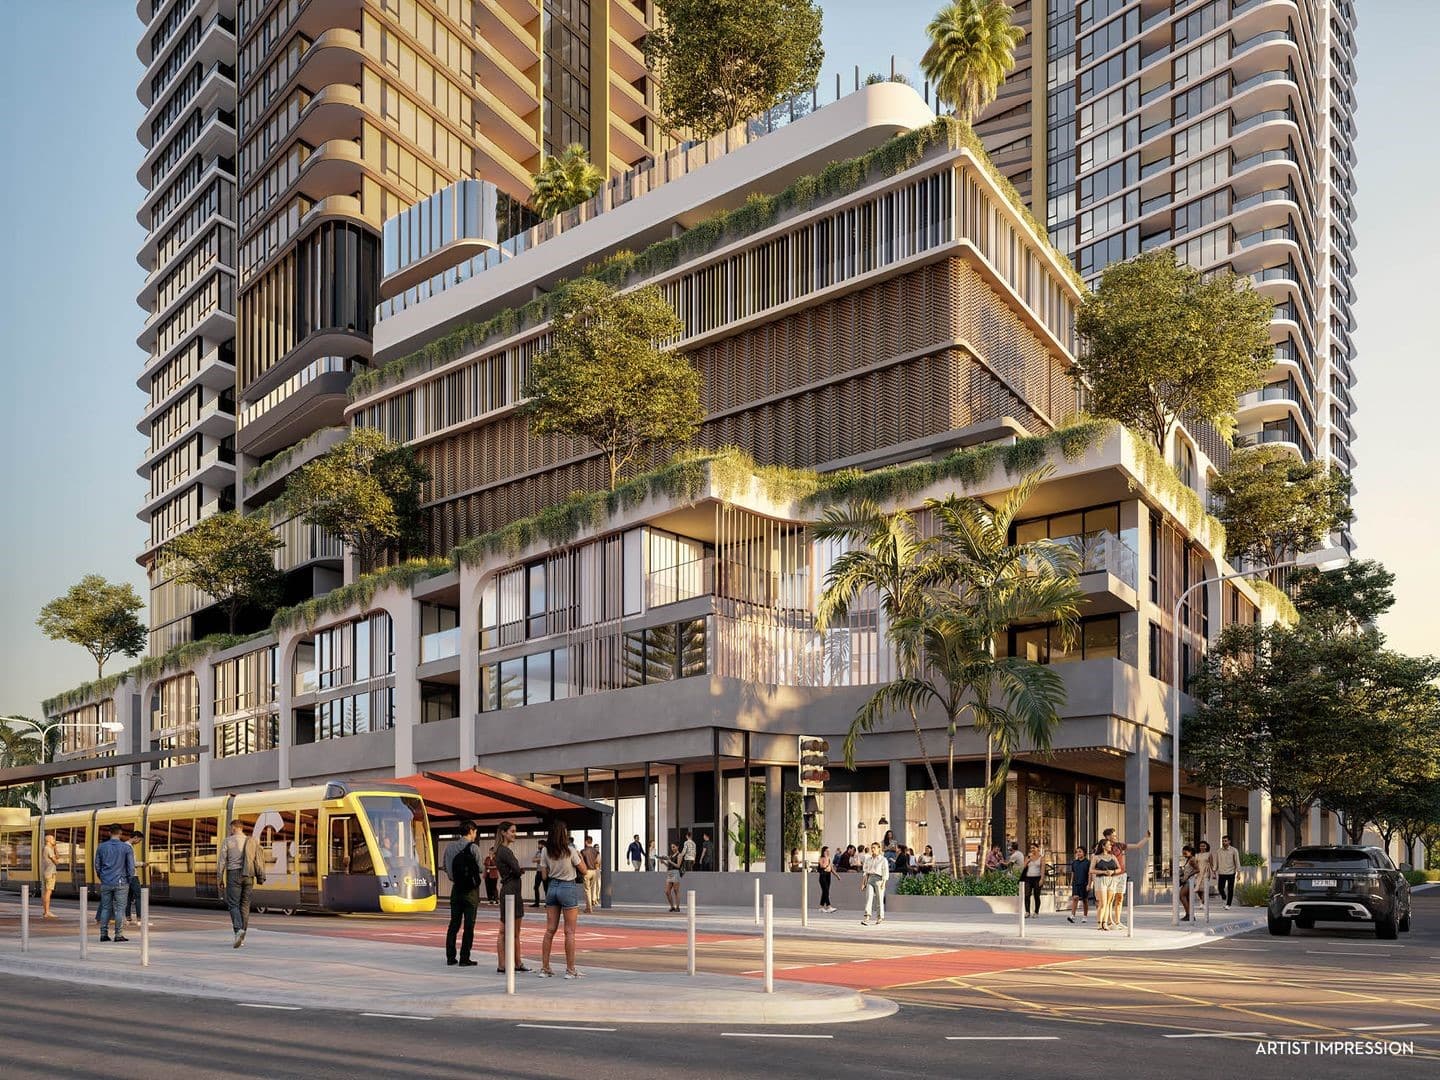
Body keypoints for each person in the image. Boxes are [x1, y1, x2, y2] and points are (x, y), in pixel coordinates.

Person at [538, 819, 588, 978]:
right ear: (564, 834)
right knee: (569, 932)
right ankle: (570, 970)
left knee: (549, 930)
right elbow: (584, 870)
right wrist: (579, 857)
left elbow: (544, 876)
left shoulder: (545, 851)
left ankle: (545, 968)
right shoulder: (570, 850)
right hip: (568, 887)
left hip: (552, 888)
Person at [442, 821, 483, 967]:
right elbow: (480, 869)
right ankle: (465, 957)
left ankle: (450, 957)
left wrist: (455, 877)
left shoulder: (450, 847)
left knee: (454, 924)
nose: (475, 834)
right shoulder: (474, 848)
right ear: (471, 831)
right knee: (469, 926)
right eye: (475, 832)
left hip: (456, 889)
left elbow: (445, 867)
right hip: (470, 892)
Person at [218, 819, 263, 949]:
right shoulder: (252, 841)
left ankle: (238, 931)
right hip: (249, 875)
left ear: (233, 828)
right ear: (242, 828)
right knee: (245, 905)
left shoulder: (228, 841)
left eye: (231, 828)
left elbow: (221, 861)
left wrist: (220, 878)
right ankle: (242, 936)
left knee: (233, 905)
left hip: (234, 875)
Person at [493, 821, 530, 973]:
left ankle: (507, 964)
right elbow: (515, 869)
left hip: (509, 890)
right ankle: (513, 963)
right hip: (511, 890)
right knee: (509, 931)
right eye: (512, 831)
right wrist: (520, 870)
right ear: (503, 832)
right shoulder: (505, 851)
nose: (514, 834)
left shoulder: (499, 851)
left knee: (508, 931)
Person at [94, 824, 134, 943]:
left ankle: (103, 934)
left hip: (106, 881)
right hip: (121, 881)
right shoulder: (126, 848)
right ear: (120, 833)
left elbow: (97, 865)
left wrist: (102, 877)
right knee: (120, 909)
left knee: (106, 908)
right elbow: (131, 867)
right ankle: (118, 935)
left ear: (109, 833)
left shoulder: (101, 847)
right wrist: (128, 879)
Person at [1091, 838, 1122, 931]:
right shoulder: (1096, 857)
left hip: (1111, 880)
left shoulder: (1112, 857)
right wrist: (1104, 872)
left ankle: (1105, 923)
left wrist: (1113, 871)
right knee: (1103, 903)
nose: (1111, 846)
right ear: (1103, 846)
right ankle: (1099, 923)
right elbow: (1091, 870)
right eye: (1109, 845)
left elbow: (1119, 869)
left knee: (1108, 903)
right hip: (1101, 880)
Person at [859, 841, 889, 926]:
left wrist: (884, 883)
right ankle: (867, 917)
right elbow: (865, 872)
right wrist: (863, 883)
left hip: (879, 879)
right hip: (870, 879)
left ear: (879, 849)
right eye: (871, 848)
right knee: (868, 898)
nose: (872, 850)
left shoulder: (883, 860)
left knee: (879, 899)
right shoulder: (868, 859)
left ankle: (880, 917)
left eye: (874, 848)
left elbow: (885, 872)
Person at [1214, 835, 1241, 909]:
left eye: (1225, 841)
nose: (1224, 842)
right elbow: (1216, 862)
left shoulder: (1234, 850)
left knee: (1230, 889)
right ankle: (1224, 897)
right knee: (1220, 888)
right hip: (1221, 872)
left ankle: (1228, 904)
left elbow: (1237, 861)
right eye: (1223, 841)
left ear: (1229, 841)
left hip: (1231, 872)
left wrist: (1238, 873)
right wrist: (1214, 871)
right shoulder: (1218, 851)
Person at [1066, 846, 1091, 924]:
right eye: (1077, 852)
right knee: (1075, 898)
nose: (1078, 853)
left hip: (1084, 883)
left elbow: (1090, 874)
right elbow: (1073, 873)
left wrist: (1089, 884)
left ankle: (1085, 916)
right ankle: (1072, 916)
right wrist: (1071, 883)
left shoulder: (1088, 862)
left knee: (1084, 900)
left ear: (1084, 853)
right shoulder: (1074, 862)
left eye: (1080, 851)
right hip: (1076, 883)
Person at [1021, 843, 1046, 918]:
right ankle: (1027, 912)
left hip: (1037, 878)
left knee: (1036, 896)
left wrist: (1042, 879)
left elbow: (1042, 869)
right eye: (1031, 848)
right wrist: (1028, 860)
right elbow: (1023, 867)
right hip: (1028, 878)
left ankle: (1036, 912)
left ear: (1038, 848)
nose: (1032, 849)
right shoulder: (1028, 857)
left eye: (1033, 848)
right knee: (1027, 895)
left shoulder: (1041, 858)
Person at [125, 831, 144, 926]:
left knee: (128, 897)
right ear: (135, 837)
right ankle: (139, 919)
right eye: (139, 840)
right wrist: (143, 864)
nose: (139, 842)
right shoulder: (129, 847)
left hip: (126, 876)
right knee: (138, 897)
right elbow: (132, 863)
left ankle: (128, 919)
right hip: (133, 875)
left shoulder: (124, 846)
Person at [580, 835, 601, 913]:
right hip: (594, 871)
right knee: (591, 889)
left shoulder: (583, 851)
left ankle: (589, 908)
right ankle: (590, 905)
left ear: (586, 842)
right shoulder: (596, 851)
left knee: (587, 890)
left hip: (586, 871)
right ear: (591, 842)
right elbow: (598, 861)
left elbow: (581, 862)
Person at [1178, 845, 1199, 922]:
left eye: (1185, 853)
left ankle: (1189, 915)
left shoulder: (1192, 860)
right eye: (1183, 853)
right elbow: (1188, 870)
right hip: (1187, 880)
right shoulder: (1188, 859)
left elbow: (1197, 869)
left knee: (1181, 896)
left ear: (1190, 852)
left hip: (1190, 881)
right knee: (1187, 898)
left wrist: (1188, 875)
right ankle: (1191, 915)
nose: (1184, 855)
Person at [41, 834, 59, 920]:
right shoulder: (48, 849)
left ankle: (45, 911)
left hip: (46, 872)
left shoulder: (46, 849)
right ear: (48, 840)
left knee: (46, 892)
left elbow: (57, 857)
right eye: (53, 839)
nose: (54, 840)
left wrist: (55, 848)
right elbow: (56, 861)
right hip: (50, 873)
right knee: (48, 892)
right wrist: (55, 850)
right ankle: (47, 912)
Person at [661, 843, 683, 911]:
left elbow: (678, 866)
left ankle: (677, 907)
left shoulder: (679, 855)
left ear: (677, 846)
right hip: (670, 873)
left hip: (676, 872)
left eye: (674, 847)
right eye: (672, 847)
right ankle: (672, 906)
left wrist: (669, 861)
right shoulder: (670, 856)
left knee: (676, 891)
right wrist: (664, 862)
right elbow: (669, 866)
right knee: (667, 891)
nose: (672, 848)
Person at [1194, 840, 1215, 911]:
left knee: (1204, 889)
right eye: (1201, 846)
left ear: (1206, 847)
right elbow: (1195, 865)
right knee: (1198, 889)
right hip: (1198, 873)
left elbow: (1212, 864)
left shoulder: (1209, 854)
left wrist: (1214, 873)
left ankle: (1202, 903)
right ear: (1199, 847)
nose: (1202, 847)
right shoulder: (1197, 855)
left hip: (1206, 872)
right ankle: (1202, 900)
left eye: (1204, 846)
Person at [817, 846, 834, 912]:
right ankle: (828, 906)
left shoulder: (829, 858)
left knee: (825, 891)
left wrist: (837, 875)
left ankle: (821, 907)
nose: (828, 852)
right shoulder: (821, 858)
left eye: (828, 851)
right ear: (824, 851)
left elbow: (831, 868)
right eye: (827, 851)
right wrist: (826, 860)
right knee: (826, 891)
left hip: (828, 875)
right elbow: (822, 866)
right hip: (823, 875)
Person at [531, 840, 545, 908]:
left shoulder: (546, 852)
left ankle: (547, 904)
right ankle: (537, 903)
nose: (538, 846)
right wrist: (539, 859)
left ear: (542, 845)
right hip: (538, 872)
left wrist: (538, 859)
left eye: (539, 844)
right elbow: (533, 860)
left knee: (546, 888)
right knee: (536, 887)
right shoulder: (537, 852)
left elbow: (544, 860)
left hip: (545, 872)